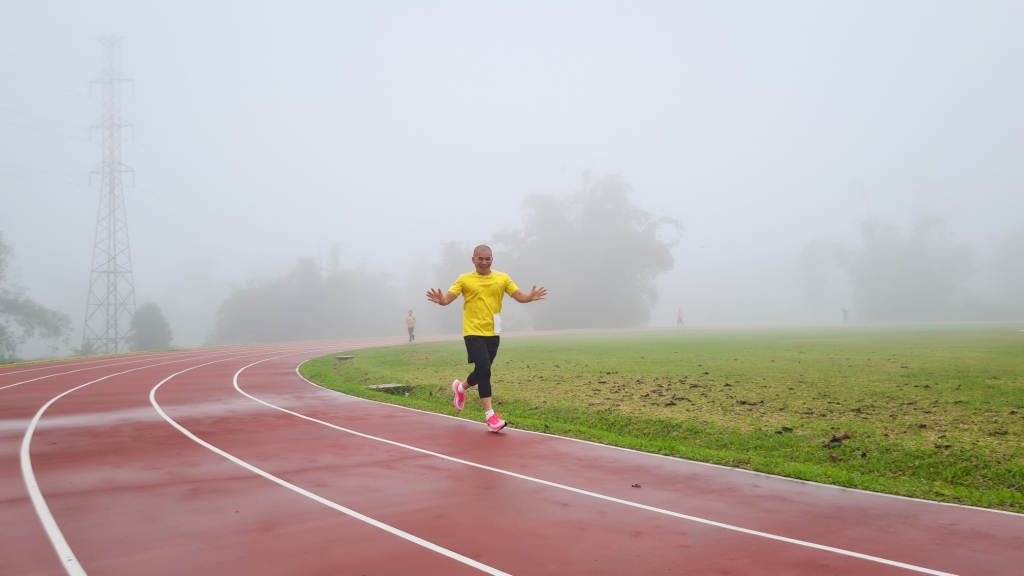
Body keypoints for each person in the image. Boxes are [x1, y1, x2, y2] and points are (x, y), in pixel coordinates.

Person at [426, 244, 547, 432]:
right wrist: (440, 300)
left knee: (483, 370)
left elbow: (519, 296)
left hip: (493, 332)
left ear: (492, 259)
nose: (484, 262)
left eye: (488, 258)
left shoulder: (502, 278)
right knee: (484, 369)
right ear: (473, 259)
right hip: (472, 332)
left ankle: (460, 388)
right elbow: (448, 298)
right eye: (480, 258)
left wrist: (530, 296)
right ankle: (491, 417)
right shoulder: (464, 279)